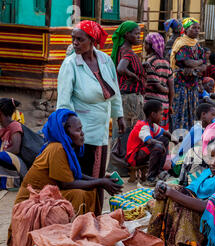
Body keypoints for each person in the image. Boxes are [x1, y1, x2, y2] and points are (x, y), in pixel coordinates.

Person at [14, 109, 123, 215]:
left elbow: (76, 175)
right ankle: (74, 229)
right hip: (31, 201)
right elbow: (67, 184)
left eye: (81, 129)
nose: (82, 134)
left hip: (45, 196)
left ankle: (87, 225)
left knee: (90, 189)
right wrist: (101, 182)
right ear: (65, 133)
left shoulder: (65, 148)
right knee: (78, 194)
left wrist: (100, 180)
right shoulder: (57, 149)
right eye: (78, 130)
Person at [57, 20, 124, 183]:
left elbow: (114, 90)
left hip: (101, 131)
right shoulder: (70, 64)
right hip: (81, 132)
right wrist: (68, 130)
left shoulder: (105, 60)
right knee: (85, 178)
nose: (75, 43)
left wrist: (119, 116)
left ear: (92, 41)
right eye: (73, 39)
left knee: (100, 176)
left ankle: (96, 209)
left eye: (80, 39)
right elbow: (64, 102)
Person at [126, 100, 176, 186]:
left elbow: (166, 134)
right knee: (157, 146)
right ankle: (150, 178)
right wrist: (160, 144)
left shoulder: (153, 126)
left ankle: (159, 172)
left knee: (164, 140)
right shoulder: (143, 126)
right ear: (153, 114)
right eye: (161, 114)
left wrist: (176, 141)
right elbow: (149, 141)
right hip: (134, 157)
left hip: (142, 153)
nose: (162, 117)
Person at [170, 17, 207, 130]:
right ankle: (179, 137)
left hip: (192, 85)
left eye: (198, 28)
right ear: (185, 30)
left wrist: (198, 65)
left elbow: (204, 66)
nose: (196, 30)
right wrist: (199, 63)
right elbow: (187, 62)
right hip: (180, 85)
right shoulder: (181, 44)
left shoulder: (197, 45)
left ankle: (191, 137)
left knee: (192, 111)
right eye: (193, 28)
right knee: (180, 111)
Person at [111, 21, 145, 131]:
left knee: (121, 133)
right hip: (129, 98)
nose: (139, 37)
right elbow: (121, 68)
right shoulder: (128, 52)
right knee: (130, 132)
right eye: (136, 34)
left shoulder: (121, 50)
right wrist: (134, 76)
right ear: (126, 34)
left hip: (123, 96)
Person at [144, 32, 174, 131]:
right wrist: (170, 105)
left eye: (146, 44)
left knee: (150, 134)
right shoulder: (166, 63)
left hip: (151, 107)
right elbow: (171, 88)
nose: (144, 46)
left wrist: (166, 90)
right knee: (162, 135)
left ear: (151, 46)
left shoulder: (150, 63)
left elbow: (156, 85)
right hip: (164, 106)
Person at [0, 98, 26, 190]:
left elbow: (15, 149)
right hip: (6, 163)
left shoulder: (14, 126)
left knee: (2, 155)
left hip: (16, 164)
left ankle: (10, 182)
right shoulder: (2, 130)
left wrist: (2, 153)